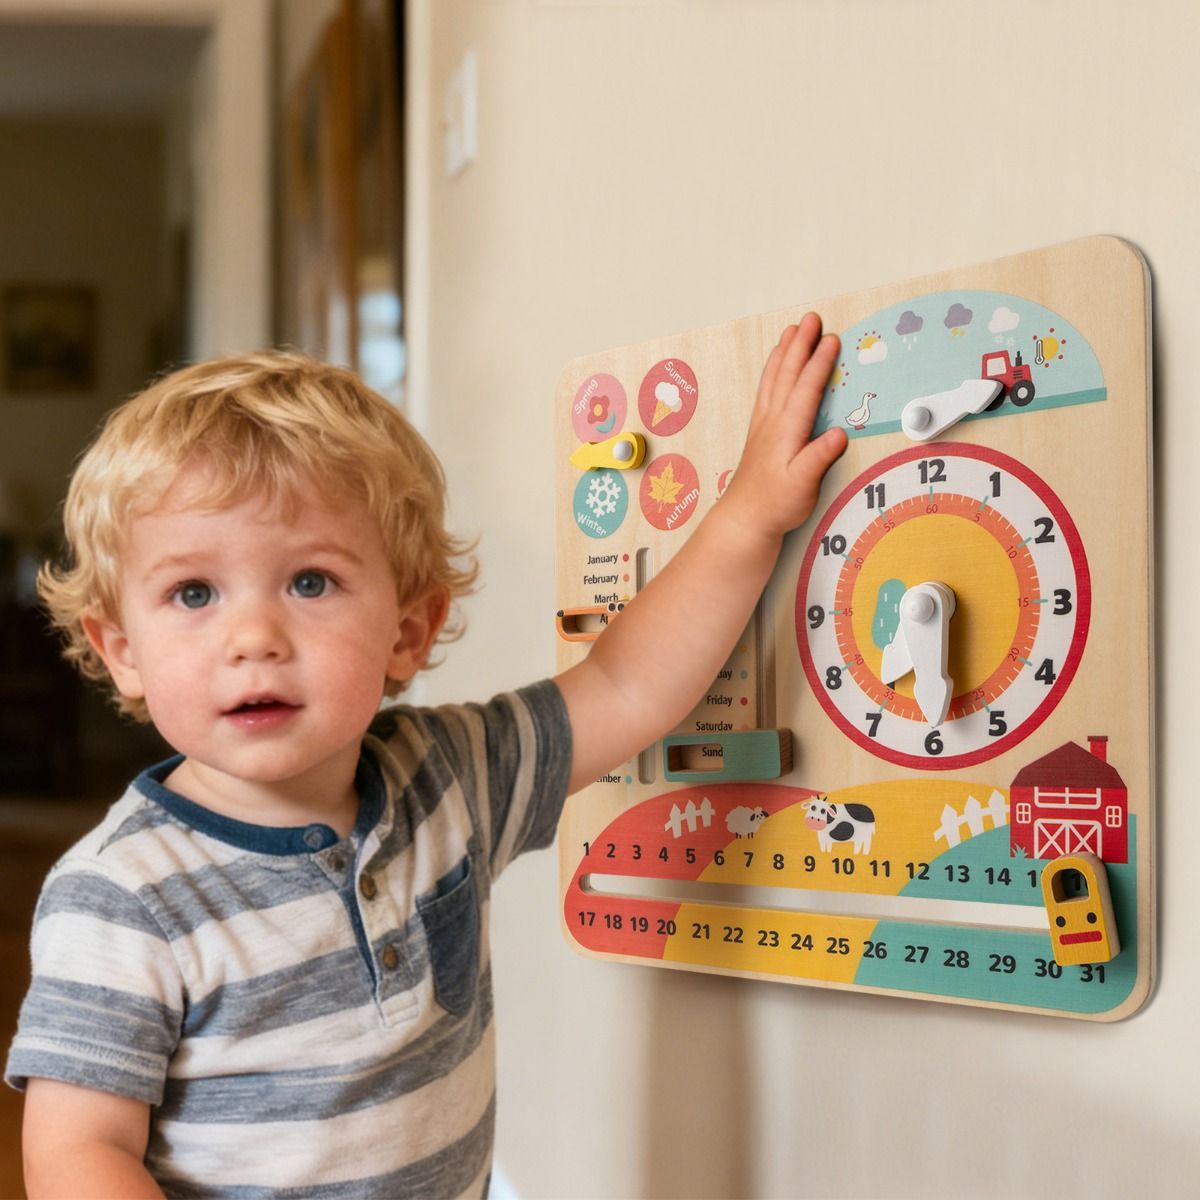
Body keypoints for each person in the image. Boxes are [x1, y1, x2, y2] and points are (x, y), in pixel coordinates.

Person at [6, 314, 846, 1198]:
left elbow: (628, 686)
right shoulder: (118, 896)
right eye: (193, 592)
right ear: (121, 650)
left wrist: (751, 512)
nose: (253, 636)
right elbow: (76, 1153)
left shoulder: (453, 774)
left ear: (408, 631)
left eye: (310, 582)